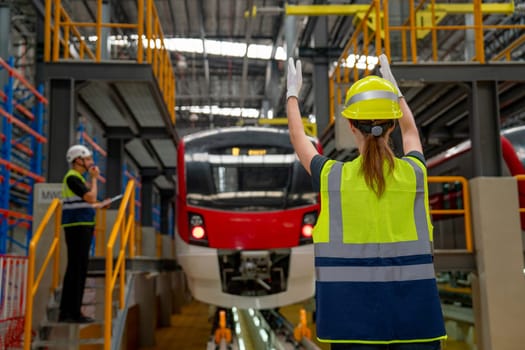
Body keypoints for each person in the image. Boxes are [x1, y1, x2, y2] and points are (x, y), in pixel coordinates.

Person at [285, 55, 447, 349]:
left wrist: (292, 96)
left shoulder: (333, 177)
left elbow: (299, 139)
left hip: (350, 324)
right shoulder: (414, 174)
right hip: (416, 319)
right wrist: (397, 96)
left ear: (350, 125)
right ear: (392, 126)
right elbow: (412, 132)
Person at [59, 144, 109, 323]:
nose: (91, 162)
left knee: (79, 268)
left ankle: (72, 312)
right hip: (77, 226)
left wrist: (99, 205)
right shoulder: (72, 178)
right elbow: (90, 197)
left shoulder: (78, 178)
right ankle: (69, 313)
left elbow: (88, 202)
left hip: (82, 225)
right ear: (77, 160)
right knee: (76, 269)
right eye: (87, 159)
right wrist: (95, 179)